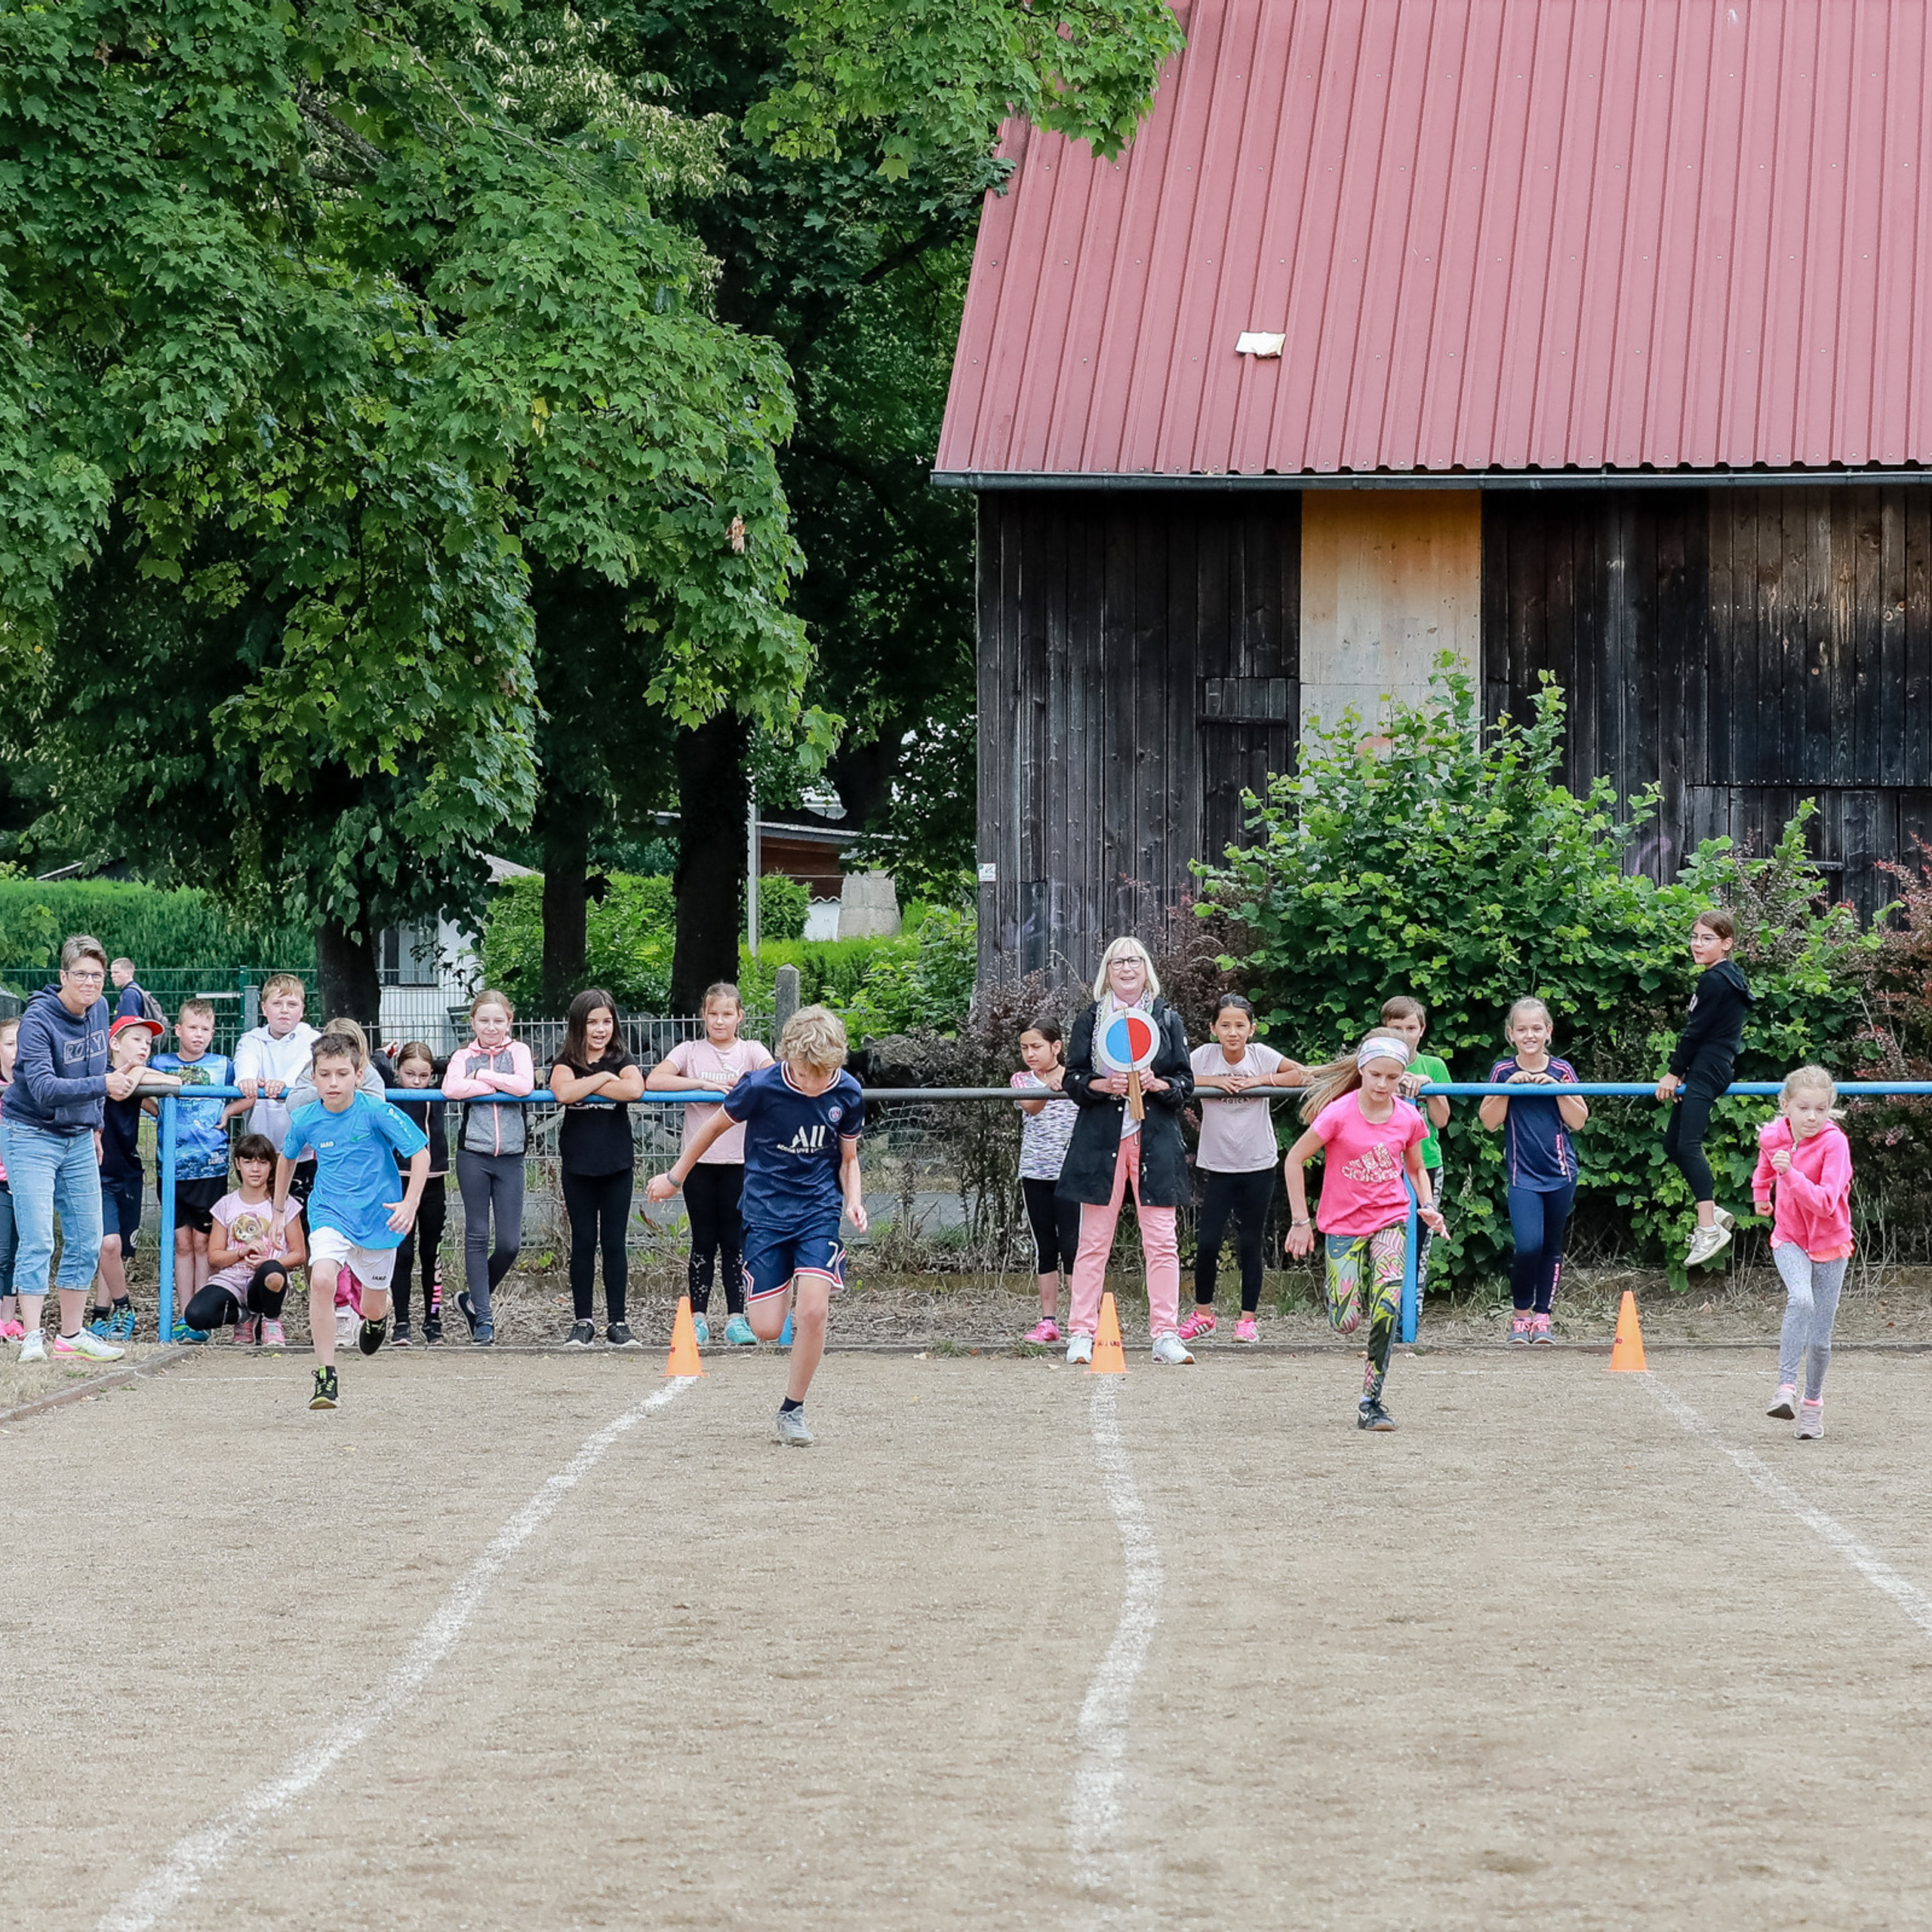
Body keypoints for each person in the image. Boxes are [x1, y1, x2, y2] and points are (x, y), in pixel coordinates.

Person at [648, 1004, 866, 1445]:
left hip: (818, 1211)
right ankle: (785, 1276)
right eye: (808, 1075)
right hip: (765, 1214)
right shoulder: (761, 1086)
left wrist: (853, 1201)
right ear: (791, 1061)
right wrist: (675, 1177)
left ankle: (793, 1409)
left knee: (813, 1310)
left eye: (825, 1075)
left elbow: (849, 1158)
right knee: (767, 1328)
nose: (816, 1085)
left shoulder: (847, 1092)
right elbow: (709, 1130)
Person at [1283, 1035, 1447, 1431]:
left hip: (1391, 1219)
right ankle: (1345, 1310)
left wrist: (1427, 1205)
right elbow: (1293, 1160)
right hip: (1342, 1225)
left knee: (1387, 1308)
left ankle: (1371, 1402)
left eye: (1392, 1078)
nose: (1382, 1084)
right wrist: (1301, 1222)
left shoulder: (1409, 1117)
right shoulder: (1338, 1114)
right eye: (1375, 1075)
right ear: (1361, 1070)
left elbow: (1415, 1168)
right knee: (1345, 1321)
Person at [271, 1032, 429, 1410]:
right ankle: (326, 1377)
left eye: (342, 1073)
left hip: (379, 1219)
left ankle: (376, 1320)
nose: (333, 1082)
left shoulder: (376, 1111)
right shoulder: (306, 1117)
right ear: (313, 1077)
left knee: (373, 1305)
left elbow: (420, 1154)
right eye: (324, 1074)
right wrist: (277, 1211)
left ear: (358, 1075)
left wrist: (410, 1203)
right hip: (330, 1212)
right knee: (323, 1278)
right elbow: (287, 1158)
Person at [1058, 937, 1197, 1366]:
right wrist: (1101, 1085)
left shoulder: (1167, 1017)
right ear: (1107, 970)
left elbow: (1185, 1084)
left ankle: (1166, 1334)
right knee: (1093, 1242)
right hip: (1101, 1143)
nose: (1127, 968)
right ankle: (1081, 1332)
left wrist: (1161, 1086)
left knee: (1162, 1241)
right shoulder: (1091, 1019)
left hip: (1155, 1142)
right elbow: (1073, 1078)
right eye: (1118, 961)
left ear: (1146, 968)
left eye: (1134, 960)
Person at [4, 934, 136, 1362]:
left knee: (87, 1237)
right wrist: (104, 1086)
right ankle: (31, 1336)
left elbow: (95, 1065)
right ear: (63, 976)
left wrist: (95, 1126)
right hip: (29, 1132)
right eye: (80, 974)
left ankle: (72, 1335)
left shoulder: (99, 1009)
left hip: (79, 1136)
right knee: (39, 1237)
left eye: (97, 976)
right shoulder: (38, 1019)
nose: (90, 983)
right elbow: (42, 1088)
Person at [645, 983, 774, 1346]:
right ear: (703, 1015)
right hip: (698, 1164)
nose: (720, 1021)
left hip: (740, 1162)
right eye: (713, 1014)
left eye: (727, 1014)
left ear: (739, 1017)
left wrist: (745, 1084)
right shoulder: (690, 1051)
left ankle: (737, 1317)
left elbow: (772, 1075)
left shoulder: (751, 1050)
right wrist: (700, 1084)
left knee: (734, 1241)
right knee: (703, 1240)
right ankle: (697, 1318)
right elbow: (655, 1079)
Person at [1182, 994, 1305, 1344]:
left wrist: (1259, 1081)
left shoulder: (1260, 1054)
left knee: (1250, 1241)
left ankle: (1247, 1320)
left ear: (1252, 1029)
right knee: (1207, 1242)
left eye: (1240, 1025)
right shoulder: (1203, 1056)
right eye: (1225, 1025)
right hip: (1217, 1164)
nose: (1232, 1032)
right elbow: (1176, 1080)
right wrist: (1216, 1081)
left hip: (1257, 1163)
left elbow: (1301, 1074)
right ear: (1213, 1029)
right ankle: (1203, 1314)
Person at [1478, 998, 1588, 1346]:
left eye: (1536, 1028)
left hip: (1560, 1172)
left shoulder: (1562, 1069)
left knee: (1551, 1246)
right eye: (1522, 1029)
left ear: (1548, 1032)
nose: (1530, 1035)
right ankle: (1521, 1316)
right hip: (1522, 1175)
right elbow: (1490, 1122)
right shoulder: (1502, 1071)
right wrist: (1511, 1088)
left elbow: (1579, 1121)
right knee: (1528, 1245)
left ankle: (1544, 1318)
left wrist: (1554, 1089)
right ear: (1511, 1034)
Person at [1755, 1066, 1854, 1440]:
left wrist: (1791, 1174)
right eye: (1803, 1108)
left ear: (1830, 1109)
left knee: (1821, 1338)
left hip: (1831, 1243)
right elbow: (1766, 1162)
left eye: (1821, 1109)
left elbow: (1826, 1203)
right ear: (1786, 1106)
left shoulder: (1835, 1144)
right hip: (1790, 1238)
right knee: (1801, 1299)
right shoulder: (1774, 1136)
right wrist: (1761, 1195)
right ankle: (1784, 1389)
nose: (1812, 1117)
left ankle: (1813, 1406)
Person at [1656, 909, 1753, 1267]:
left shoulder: (1714, 980)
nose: (1697, 944)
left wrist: (1673, 1072)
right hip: (1711, 1065)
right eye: (1694, 937)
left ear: (1726, 944)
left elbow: (1695, 1031)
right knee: (1672, 1144)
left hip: (1707, 1068)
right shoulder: (1728, 975)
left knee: (1688, 1143)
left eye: (1706, 939)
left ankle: (1708, 1228)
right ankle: (1713, 1210)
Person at [549, 989, 645, 1349]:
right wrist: (605, 1080)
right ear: (579, 1025)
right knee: (584, 1243)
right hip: (578, 1166)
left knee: (615, 1244)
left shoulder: (622, 1057)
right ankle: (583, 1321)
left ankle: (618, 1322)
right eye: (592, 1022)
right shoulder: (565, 1061)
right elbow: (563, 1092)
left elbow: (635, 1089)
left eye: (606, 1021)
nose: (600, 1029)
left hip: (617, 1165)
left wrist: (598, 1081)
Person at [441, 989, 533, 1347]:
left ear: (509, 1021)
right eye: (484, 1021)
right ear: (473, 1022)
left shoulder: (519, 1051)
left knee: (510, 1244)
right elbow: (451, 1088)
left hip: (511, 1156)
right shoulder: (463, 1055)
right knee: (477, 1235)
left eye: (498, 1020)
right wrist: (484, 1079)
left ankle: (470, 1298)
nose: (491, 1027)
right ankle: (483, 1317)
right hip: (474, 1155)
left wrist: (484, 1078)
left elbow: (524, 1085)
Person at [152, 998, 243, 1306]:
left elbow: (248, 1095)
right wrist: (160, 1112)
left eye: (206, 1029)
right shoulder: (160, 1065)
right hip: (172, 1166)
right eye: (193, 1027)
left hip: (210, 1166)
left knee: (204, 1241)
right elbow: (139, 1093)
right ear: (178, 1029)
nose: (199, 1034)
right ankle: (182, 1310)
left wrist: (229, 1112)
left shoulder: (222, 1065)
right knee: (181, 1241)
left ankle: (199, 1313)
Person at [181, 1134, 306, 1349]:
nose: (255, 1169)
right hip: (233, 1278)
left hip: (266, 1279)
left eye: (262, 1162)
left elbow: (299, 1254)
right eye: (248, 1162)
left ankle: (271, 1320)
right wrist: (241, 1252)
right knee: (195, 1315)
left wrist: (268, 1262)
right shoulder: (225, 1205)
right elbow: (214, 1257)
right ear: (238, 1165)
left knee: (273, 1273)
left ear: (271, 1166)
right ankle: (243, 1317)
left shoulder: (285, 1204)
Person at [88, 1014, 168, 1341]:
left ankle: (101, 1315)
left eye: (148, 1042)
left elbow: (171, 1087)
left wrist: (139, 1074)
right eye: (136, 1039)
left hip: (129, 1172)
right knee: (108, 1244)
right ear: (114, 1043)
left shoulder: (137, 1081)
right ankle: (124, 1307)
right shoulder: (97, 1076)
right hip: (97, 1172)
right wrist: (132, 1078)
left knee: (117, 1250)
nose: (144, 1046)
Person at [1378, 995, 1451, 1313]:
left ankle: (1410, 1315)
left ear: (1421, 1031)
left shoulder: (1433, 1065)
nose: (1405, 1034)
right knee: (1384, 1242)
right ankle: (1384, 1311)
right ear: (1384, 1030)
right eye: (1397, 1028)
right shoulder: (1374, 1064)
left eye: (1411, 1027)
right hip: (1382, 1165)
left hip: (1425, 1164)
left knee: (1419, 1241)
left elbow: (1442, 1120)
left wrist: (1428, 1087)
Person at [1011, 1020, 1080, 1344]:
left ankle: (1082, 1320)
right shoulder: (1021, 1079)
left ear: (1056, 1046)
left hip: (1071, 1174)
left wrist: (1063, 1078)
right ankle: (1048, 1320)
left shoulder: (1076, 1076)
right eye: (1025, 1047)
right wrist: (1050, 1083)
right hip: (1035, 1173)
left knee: (1074, 1246)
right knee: (1046, 1246)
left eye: (1036, 1046)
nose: (1029, 1053)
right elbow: (1032, 1106)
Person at [234, 976, 320, 1198]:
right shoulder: (252, 1039)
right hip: (262, 1150)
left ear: (302, 1010)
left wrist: (285, 1084)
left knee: (300, 1215)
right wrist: (247, 1079)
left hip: (302, 1150)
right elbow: (246, 1060)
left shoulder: (313, 1039)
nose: (284, 1011)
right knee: (263, 1212)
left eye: (292, 1005)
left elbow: (306, 1065)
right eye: (277, 1004)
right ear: (264, 1008)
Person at [388, 1041, 449, 1347]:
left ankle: (433, 1319)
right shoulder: (390, 1090)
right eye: (409, 1074)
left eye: (424, 1076)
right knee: (403, 1254)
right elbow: (373, 1064)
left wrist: (434, 1067)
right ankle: (401, 1322)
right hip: (399, 1179)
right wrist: (387, 1056)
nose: (416, 1081)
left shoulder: (438, 1090)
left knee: (430, 1253)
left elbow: (454, 1065)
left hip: (434, 1181)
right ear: (398, 1072)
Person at [0, 1016, 21, 1343]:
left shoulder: (37, 1086)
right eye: (9, 1043)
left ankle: (9, 1320)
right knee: (2, 1252)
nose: (17, 1050)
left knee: (22, 1253)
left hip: (27, 1179)